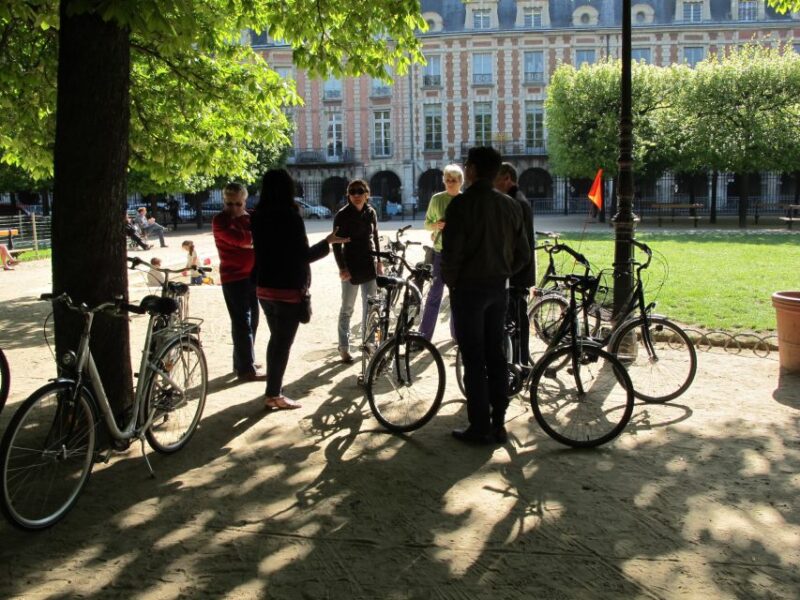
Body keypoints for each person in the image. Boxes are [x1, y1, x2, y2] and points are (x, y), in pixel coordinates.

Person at [442, 146, 531, 445]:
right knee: (496, 355)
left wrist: (452, 282)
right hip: (497, 289)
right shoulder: (510, 205)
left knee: (474, 358)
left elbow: (451, 254)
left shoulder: (461, 205)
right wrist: (504, 272)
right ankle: (499, 422)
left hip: (468, 290)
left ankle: (479, 426)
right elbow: (524, 254)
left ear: (471, 170)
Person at [251, 169, 348, 410]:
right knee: (282, 344)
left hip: (264, 287)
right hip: (287, 289)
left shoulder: (257, 216)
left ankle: (273, 389)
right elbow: (303, 256)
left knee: (276, 340)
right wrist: (327, 242)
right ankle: (274, 394)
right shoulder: (290, 217)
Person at [212, 182, 264, 383]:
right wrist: (256, 238)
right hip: (233, 278)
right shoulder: (220, 220)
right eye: (229, 203)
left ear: (245, 201)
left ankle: (243, 361)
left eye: (237, 204)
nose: (233, 208)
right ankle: (246, 369)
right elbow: (241, 240)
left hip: (253, 277)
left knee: (253, 321)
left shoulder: (252, 218)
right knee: (242, 323)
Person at [332, 179, 383, 363]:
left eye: (360, 191)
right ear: (348, 195)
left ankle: (369, 345)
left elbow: (375, 237)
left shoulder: (371, 212)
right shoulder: (342, 215)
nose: (356, 195)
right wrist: (342, 268)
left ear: (367, 194)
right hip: (350, 265)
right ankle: (344, 346)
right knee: (347, 308)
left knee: (371, 308)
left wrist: (379, 261)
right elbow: (336, 244)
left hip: (369, 264)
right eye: (352, 192)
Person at [494, 162, 537, 366]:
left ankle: (521, 364)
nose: (494, 184)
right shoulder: (516, 200)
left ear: (507, 178)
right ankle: (519, 362)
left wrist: (507, 272)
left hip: (516, 274)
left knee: (518, 322)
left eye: (496, 179)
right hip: (517, 272)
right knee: (516, 321)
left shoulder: (516, 202)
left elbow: (519, 245)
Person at [418, 164, 463, 342]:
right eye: (447, 179)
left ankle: (457, 334)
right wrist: (436, 225)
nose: (450, 183)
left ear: (460, 182)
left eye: (454, 180)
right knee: (434, 295)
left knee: (457, 297)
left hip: (460, 255)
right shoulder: (437, 199)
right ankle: (424, 335)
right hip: (440, 253)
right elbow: (427, 223)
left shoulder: (465, 200)